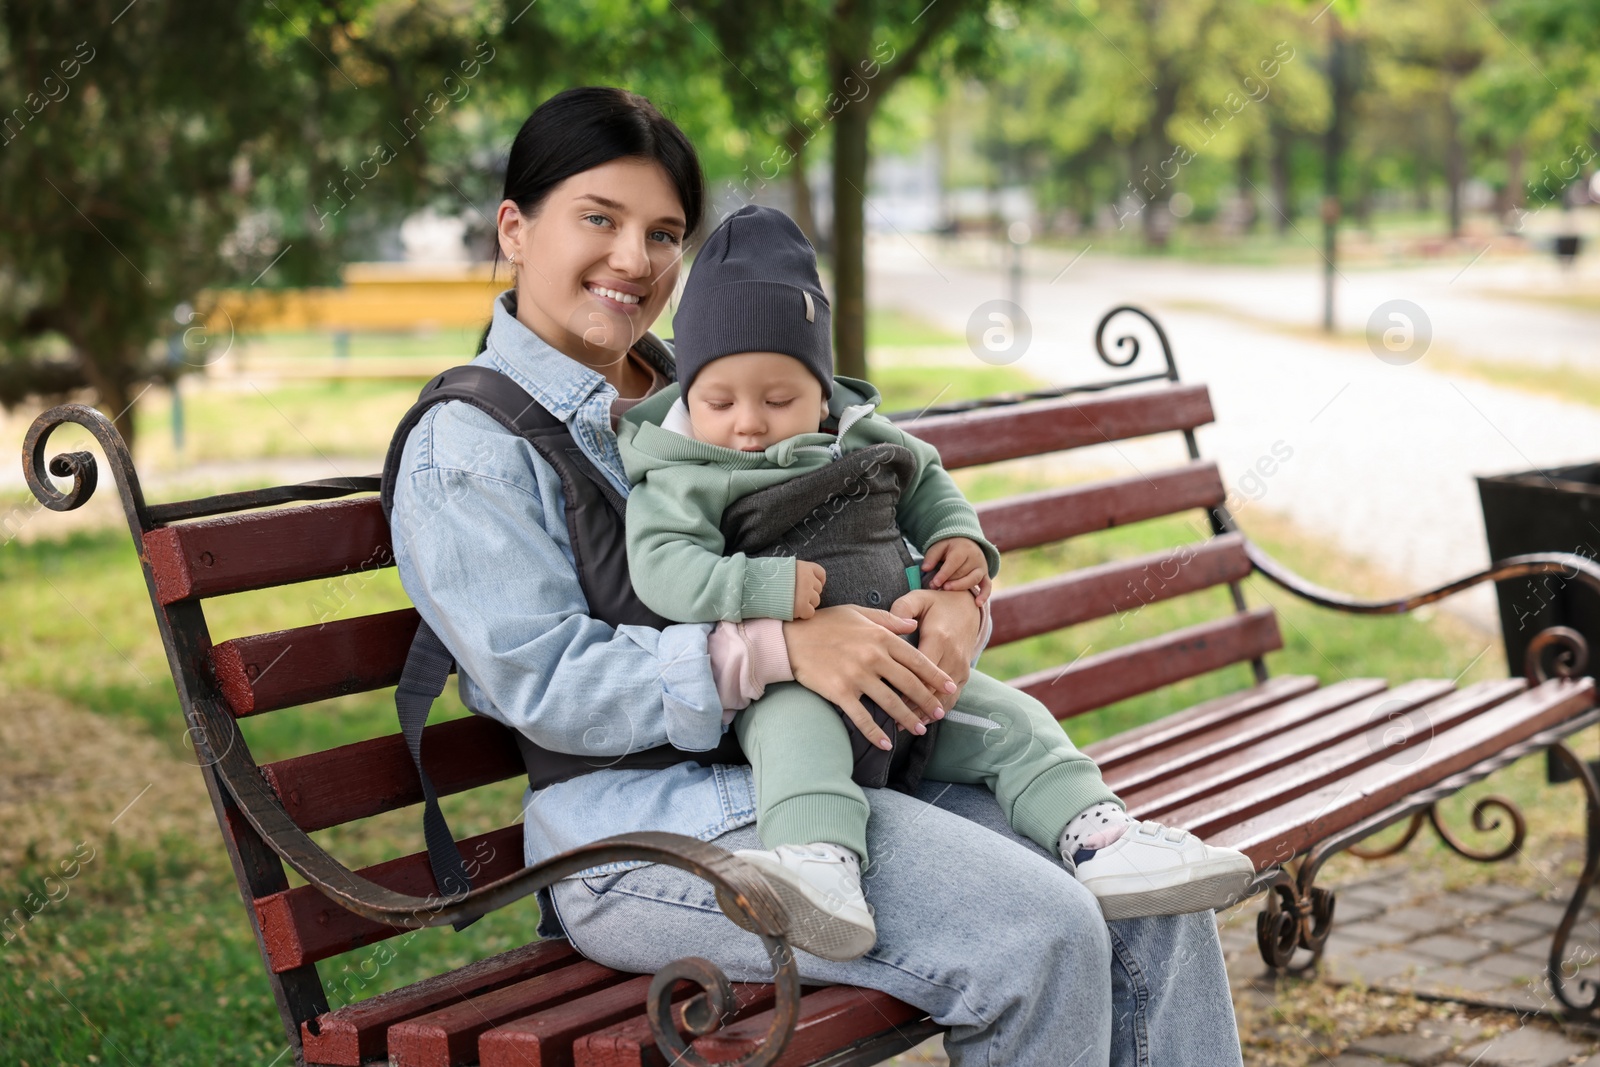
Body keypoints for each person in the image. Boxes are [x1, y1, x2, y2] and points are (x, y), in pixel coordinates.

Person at [388, 85, 1247, 1066]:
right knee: (1037, 930)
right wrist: (774, 648)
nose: (635, 258)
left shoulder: (715, 387)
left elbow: (875, 524)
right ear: (515, 227)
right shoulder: (470, 446)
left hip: (832, 773)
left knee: (1143, 902)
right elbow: (538, 679)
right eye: (599, 218)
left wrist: (956, 602)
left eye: (664, 231)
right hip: (639, 831)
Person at [616, 204, 1256, 962]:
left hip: (916, 681)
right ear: (690, 393)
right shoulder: (684, 472)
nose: (749, 424)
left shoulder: (864, 438)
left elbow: (931, 486)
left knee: (1016, 723)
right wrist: (761, 589)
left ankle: (1101, 836)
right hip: (796, 686)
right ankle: (819, 864)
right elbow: (663, 567)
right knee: (797, 743)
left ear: (822, 392)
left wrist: (961, 547)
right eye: (720, 402)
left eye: (779, 399)